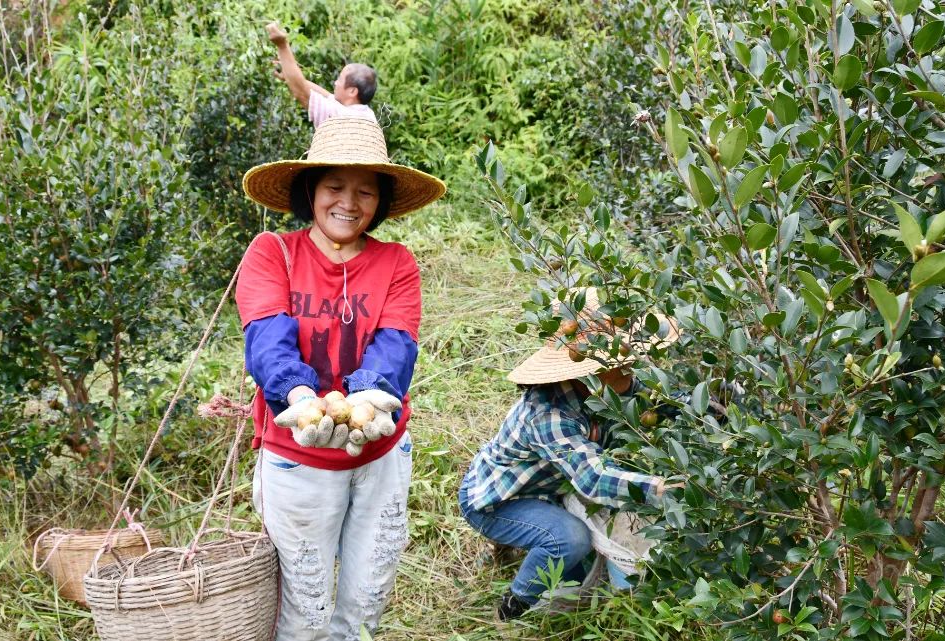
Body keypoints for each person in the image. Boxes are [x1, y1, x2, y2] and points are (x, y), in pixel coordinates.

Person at [236, 116, 445, 640]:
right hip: (296, 457)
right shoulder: (272, 252)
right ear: (311, 189)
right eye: (334, 186)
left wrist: (369, 398)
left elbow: (396, 341)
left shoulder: (396, 263)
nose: (348, 203)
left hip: (380, 457)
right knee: (303, 610)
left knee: (364, 605)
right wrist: (301, 397)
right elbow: (267, 336)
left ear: (381, 202)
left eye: (365, 191)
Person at [458, 290, 682, 622]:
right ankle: (515, 605)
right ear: (581, 370)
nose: (630, 367)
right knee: (569, 539)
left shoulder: (611, 387)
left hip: (550, 488)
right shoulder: (549, 415)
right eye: (618, 362)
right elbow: (594, 479)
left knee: (576, 569)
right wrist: (661, 488)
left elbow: (657, 405)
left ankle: (548, 562)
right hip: (498, 501)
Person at [266, 21, 379, 129]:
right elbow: (327, 96)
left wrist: (282, 46)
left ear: (352, 91)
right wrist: (288, 75)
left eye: (340, 80)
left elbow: (302, 92)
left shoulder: (341, 117)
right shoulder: (366, 115)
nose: (335, 83)